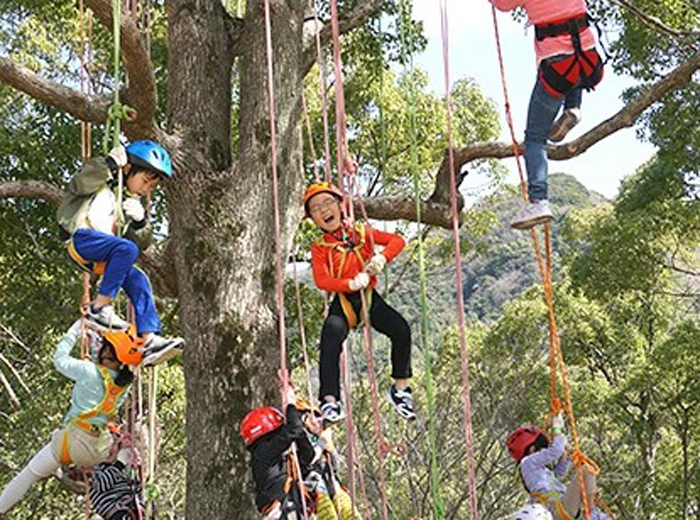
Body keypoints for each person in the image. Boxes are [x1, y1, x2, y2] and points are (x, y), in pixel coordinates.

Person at [57, 140, 184, 366]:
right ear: (128, 169)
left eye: (151, 186)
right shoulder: (100, 180)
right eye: (145, 181)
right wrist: (109, 164)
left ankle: (149, 339)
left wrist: (140, 223)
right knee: (125, 249)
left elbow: (138, 245)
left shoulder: (125, 203)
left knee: (138, 278)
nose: (146, 189)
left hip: (103, 254)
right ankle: (99, 308)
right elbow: (79, 183)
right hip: (81, 240)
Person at [0, 321, 139, 515]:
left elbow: (60, 360)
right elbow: (107, 369)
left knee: (28, 474)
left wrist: (72, 333)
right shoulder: (123, 385)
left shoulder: (88, 371)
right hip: (98, 449)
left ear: (104, 351)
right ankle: (108, 472)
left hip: (72, 442)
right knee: (109, 446)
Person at [303, 182, 414, 423]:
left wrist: (381, 258)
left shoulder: (362, 233)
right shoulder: (321, 247)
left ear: (340, 205)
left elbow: (397, 240)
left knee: (401, 329)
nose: (323, 211)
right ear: (313, 218)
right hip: (345, 300)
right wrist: (350, 284)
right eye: (316, 208)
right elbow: (322, 280)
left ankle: (401, 390)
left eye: (327, 203)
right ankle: (330, 401)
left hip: (369, 298)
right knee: (330, 337)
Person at [490, 0, 604, 229]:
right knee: (575, 71)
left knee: (535, 138)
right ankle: (573, 107)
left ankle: (539, 200)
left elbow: (502, 5)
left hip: (557, 66)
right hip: (590, 59)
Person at [506, 413, 609, 519]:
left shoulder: (535, 469)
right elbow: (556, 450)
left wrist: (565, 458)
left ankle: (593, 514)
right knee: (587, 470)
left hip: (558, 507)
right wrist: (557, 429)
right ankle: (591, 514)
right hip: (556, 507)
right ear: (532, 449)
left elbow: (558, 474)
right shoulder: (527, 462)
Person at [241, 386, 315, 519]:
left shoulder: (280, 459)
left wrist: (301, 433)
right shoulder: (264, 453)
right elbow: (293, 429)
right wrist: (290, 404)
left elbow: (308, 455)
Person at [299, 401, 359, 520]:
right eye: (308, 418)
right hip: (315, 487)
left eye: (316, 417)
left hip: (332, 483)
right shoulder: (301, 439)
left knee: (352, 515)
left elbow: (335, 467)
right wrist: (322, 442)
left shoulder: (320, 437)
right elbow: (309, 459)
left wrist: (330, 449)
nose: (315, 421)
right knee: (329, 516)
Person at [89, 447, 144, 520]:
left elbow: (136, 490)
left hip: (133, 509)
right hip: (117, 513)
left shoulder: (119, 472)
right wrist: (120, 464)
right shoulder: (95, 470)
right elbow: (102, 484)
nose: (111, 450)